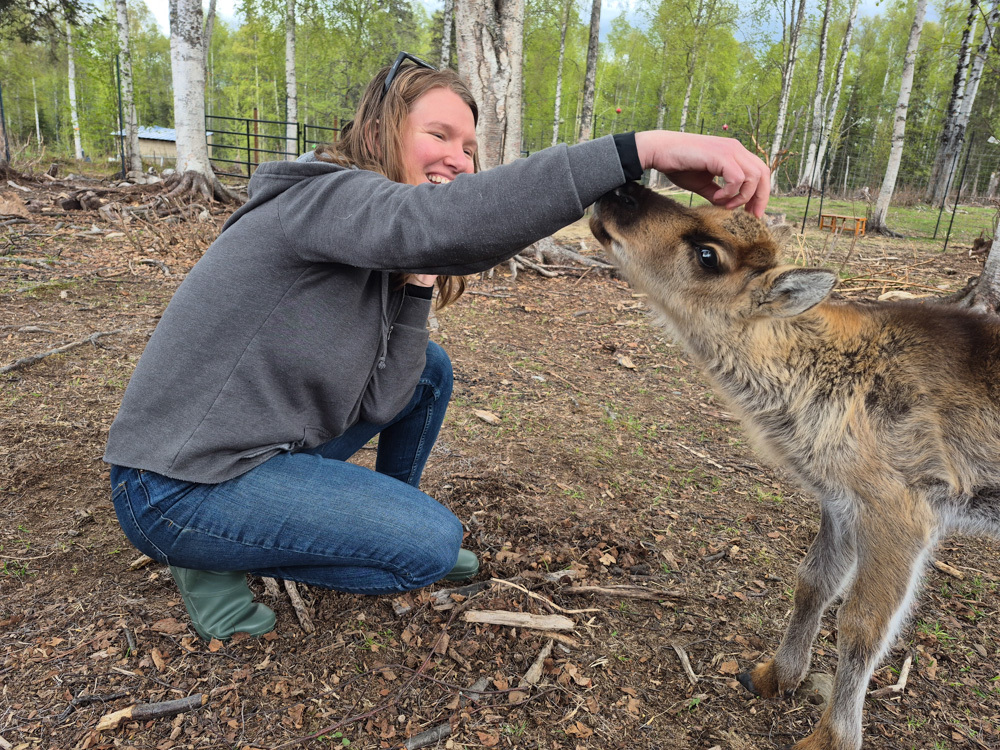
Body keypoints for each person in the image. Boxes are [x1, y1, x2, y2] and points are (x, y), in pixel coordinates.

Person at [105, 52, 769, 642]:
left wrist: (418, 285)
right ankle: (210, 553)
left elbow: (389, 395)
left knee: (429, 370)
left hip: (260, 447)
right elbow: (450, 220)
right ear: (379, 132)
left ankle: (383, 514)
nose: (460, 157)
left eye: (471, 145)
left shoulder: (383, 238)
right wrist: (640, 149)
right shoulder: (321, 198)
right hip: (177, 483)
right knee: (426, 548)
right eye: (439, 134)